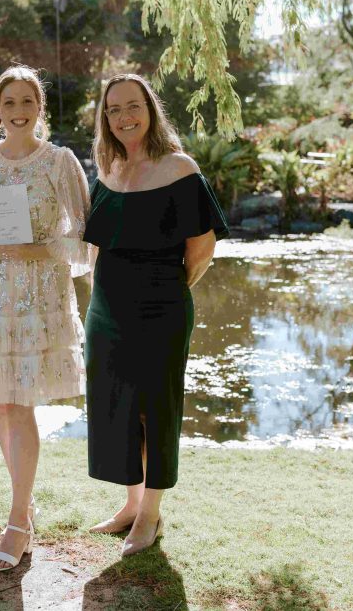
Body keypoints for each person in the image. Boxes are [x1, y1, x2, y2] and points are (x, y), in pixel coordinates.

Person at [0, 65, 93, 572]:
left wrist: (33, 250)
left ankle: (17, 520)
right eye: (10, 102)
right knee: (2, 406)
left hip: (35, 298)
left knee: (20, 404)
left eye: (28, 101)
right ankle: (23, 506)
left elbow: (85, 241)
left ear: (40, 108)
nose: (19, 111)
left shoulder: (59, 162)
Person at [82, 74, 229, 557]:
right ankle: (130, 504)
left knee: (156, 410)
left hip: (160, 308)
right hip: (106, 310)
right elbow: (94, 244)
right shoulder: (107, 171)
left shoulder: (180, 169)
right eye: (114, 110)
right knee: (120, 408)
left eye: (132, 106)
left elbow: (201, 250)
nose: (124, 117)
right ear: (105, 119)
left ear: (150, 109)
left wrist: (166, 293)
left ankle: (150, 516)